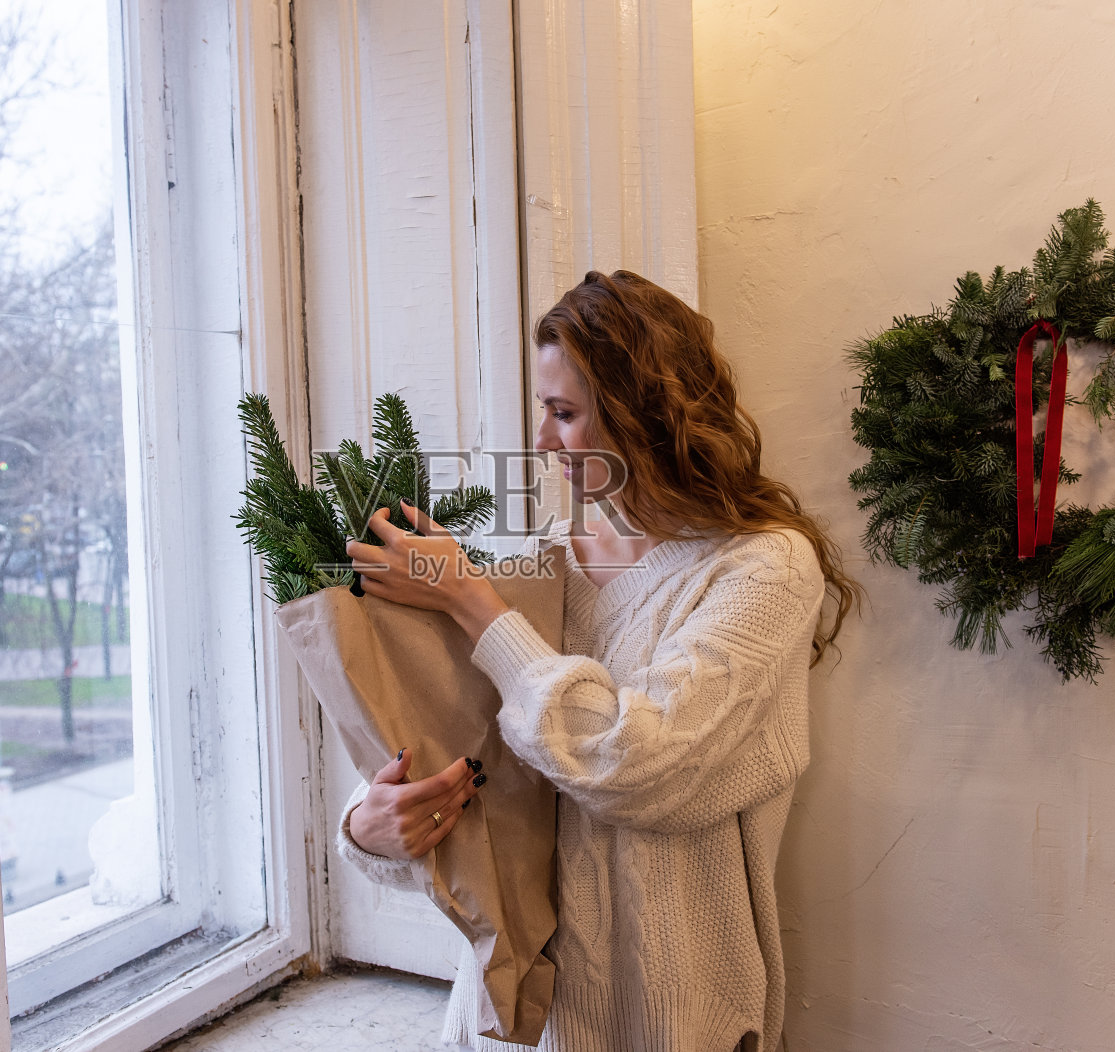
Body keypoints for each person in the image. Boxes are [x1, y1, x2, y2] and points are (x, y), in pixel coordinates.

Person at [339, 269, 859, 1052]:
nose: (543, 442)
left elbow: (634, 764)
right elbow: (454, 755)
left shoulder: (763, 570)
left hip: (673, 1023)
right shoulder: (541, 564)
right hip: (505, 1028)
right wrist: (367, 826)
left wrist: (475, 605)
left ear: (645, 416)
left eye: (564, 413)